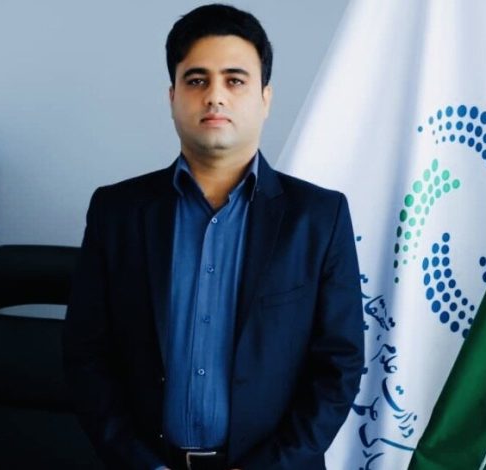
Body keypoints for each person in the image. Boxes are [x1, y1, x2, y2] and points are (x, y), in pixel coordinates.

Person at [62, 4, 364, 469]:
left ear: (265, 98)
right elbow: (86, 356)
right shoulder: (116, 212)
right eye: (197, 80)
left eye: (235, 80)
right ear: (173, 96)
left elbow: (338, 367)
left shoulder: (319, 218)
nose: (215, 96)